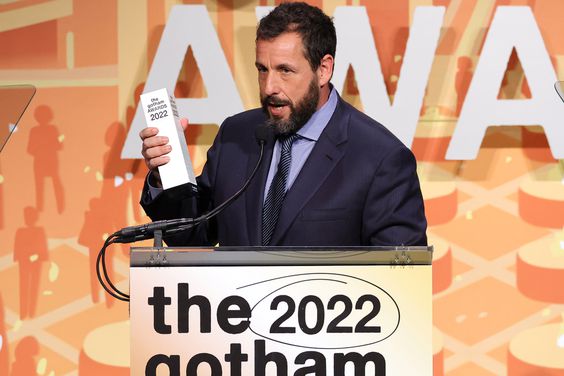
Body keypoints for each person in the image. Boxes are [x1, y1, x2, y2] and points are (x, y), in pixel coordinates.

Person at [139, 2, 427, 247]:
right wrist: (166, 174)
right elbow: (193, 233)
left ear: (323, 69)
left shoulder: (380, 158)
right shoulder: (236, 134)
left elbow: (400, 280)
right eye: (262, 70)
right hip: (235, 313)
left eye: (285, 71)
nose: (269, 87)